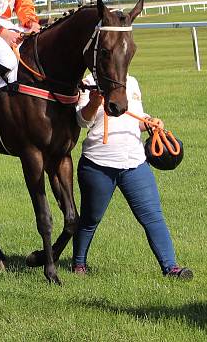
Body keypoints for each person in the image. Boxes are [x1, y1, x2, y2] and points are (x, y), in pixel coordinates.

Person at [72, 73, 193, 279]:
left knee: (153, 216)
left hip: (135, 162)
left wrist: (149, 122)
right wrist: (93, 103)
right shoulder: (89, 82)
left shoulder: (132, 81)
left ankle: (171, 268)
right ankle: (79, 264)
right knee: (91, 218)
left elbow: (135, 119)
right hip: (98, 163)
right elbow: (82, 120)